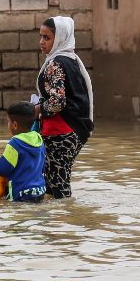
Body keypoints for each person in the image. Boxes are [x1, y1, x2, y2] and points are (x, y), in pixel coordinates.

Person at [34, 16, 94, 199]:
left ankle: (63, 223)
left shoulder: (55, 64)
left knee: (57, 187)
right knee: (54, 183)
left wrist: (35, 110)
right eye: (41, 37)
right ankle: (62, 223)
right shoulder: (71, 60)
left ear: (59, 38)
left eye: (47, 38)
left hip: (62, 131)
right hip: (74, 129)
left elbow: (58, 102)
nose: (41, 42)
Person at [0, 101, 46, 202]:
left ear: (15, 125)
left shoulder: (15, 143)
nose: (8, 125)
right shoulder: (39, 138)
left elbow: (1, 170)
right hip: (40, 191)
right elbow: (42, 167)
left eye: (8, 122)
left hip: (21, 194)